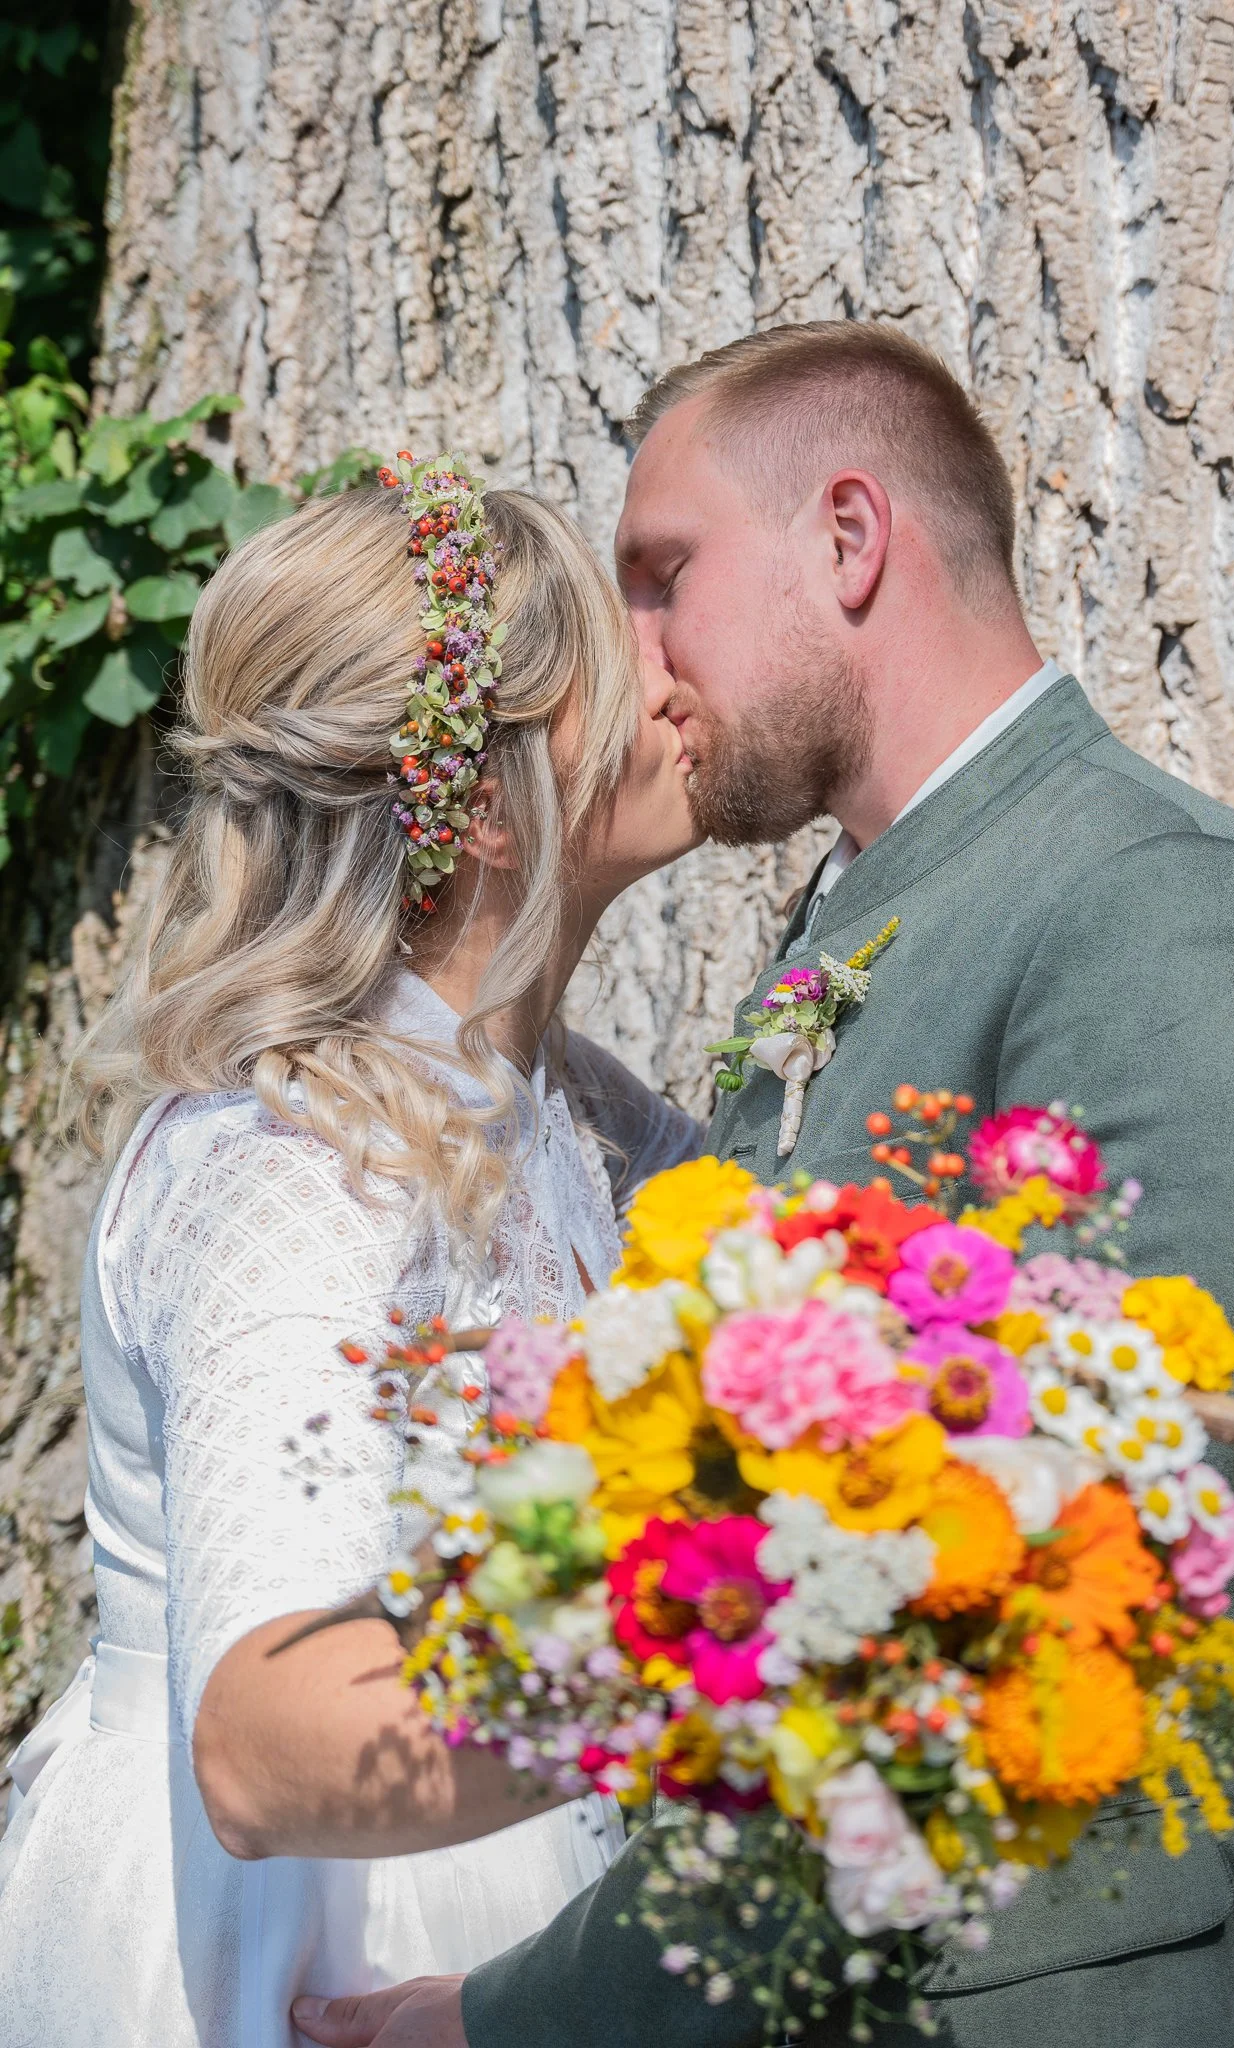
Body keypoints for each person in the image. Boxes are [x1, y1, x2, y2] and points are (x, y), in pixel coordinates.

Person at [295, 323, 1234, 2048]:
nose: (630, 658)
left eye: (662, 576)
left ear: (846, 538)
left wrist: (521, 2018)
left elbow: (1010, 1578)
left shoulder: (1159, 910)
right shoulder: (873, 912)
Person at [0, 470, 705, 2048]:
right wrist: (726, 1689)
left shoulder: (570, 1113)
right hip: (311, 1941)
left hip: (500, 1869)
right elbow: (260, 1748)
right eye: (619, 650)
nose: (675, 673)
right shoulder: (300, 1167)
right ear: (484, 806)